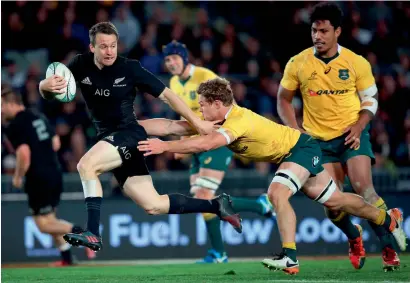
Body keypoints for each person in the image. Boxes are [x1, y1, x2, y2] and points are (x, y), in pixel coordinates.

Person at [137, 77, 406, 275]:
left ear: (217, 104)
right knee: (335, 201)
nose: (201, 111)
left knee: (277, 193)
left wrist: (164, 146)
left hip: (299, 149)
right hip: (294, 153)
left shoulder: (238, 120)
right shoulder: (218, 117)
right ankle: (387, 218)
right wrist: (133, 126)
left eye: (203, 105)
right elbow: (174, 125)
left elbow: (205, 145)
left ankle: (290, 258)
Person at [38, 22, 242, 252]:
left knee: (86, 165)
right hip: (111, 140)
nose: (109, 51)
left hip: (128, 135)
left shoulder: (130, 68)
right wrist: (44, 85)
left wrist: (196, 123)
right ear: (92, 47)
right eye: (103, 46)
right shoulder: (79, 64)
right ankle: (217, 205)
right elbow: (51, 93)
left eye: (113, 46)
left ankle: (93, 232)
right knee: (153, 205)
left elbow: (168, 95)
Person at [276, 2, 400, 271]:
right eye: (314, 30)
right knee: (331, 205)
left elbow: (371, 100)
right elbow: (283, 100)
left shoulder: (356, 62)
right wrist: (295, 129)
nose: (317, 36)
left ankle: (388, 248)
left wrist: (359, 125)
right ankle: (354, 237)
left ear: (337, 32)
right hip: (318, 141)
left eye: (323, 31)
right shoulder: (298, 63)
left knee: (364, 188)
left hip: (351, 134)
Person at [162, 40, 275, 263]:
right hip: (196, 143)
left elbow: (227, 104)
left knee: (204, 196)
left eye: (174, 58)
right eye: (167, 59)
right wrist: (183, 142)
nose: (170, 63)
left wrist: (226, 135)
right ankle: (221, 249)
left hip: (214, 140)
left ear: (184, 58)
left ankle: (255, 211)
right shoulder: (174, 83)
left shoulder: (204, 76)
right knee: (201, 199)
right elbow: (187, 117)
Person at [1, 86, 94, 266]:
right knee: (50, 219)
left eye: (1, 106)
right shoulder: (38, 116)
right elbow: (55, 143)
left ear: (11, 104)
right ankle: (67, 258)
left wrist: (18, 177)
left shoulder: (14, 125)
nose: (0, 111)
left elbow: (24, 153)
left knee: (43, 225)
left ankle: (83, 234)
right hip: (54, 171)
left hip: (38, 177)